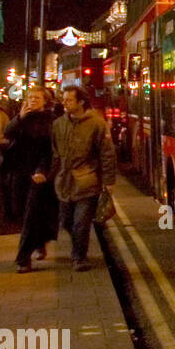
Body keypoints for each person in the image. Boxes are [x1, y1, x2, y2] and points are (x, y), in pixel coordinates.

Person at [48, 86, 116, 272]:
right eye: (64, 100)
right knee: (67, 222)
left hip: (87, 181)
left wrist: (109, 181)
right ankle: (78, 249)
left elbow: (107, 154)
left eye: (69, 100)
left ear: (81, 102)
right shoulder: (59, 124)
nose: (64, 103)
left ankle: (79, 257)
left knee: (81, 222)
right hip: (64, 182)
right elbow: (55, 153)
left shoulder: (96, 123)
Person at [3, 89, 59, 272]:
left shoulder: (51, 120)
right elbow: (8, 133)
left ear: (45, 102)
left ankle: (23, 259)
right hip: (19, 173)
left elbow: (50, 149)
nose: (32, 101)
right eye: (29, 98)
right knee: (20, 212)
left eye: (36, 98)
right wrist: (20, 116)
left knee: (30, 214)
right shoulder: (21, 118)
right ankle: (39, 242)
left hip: (38, 174)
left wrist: (43, 171)